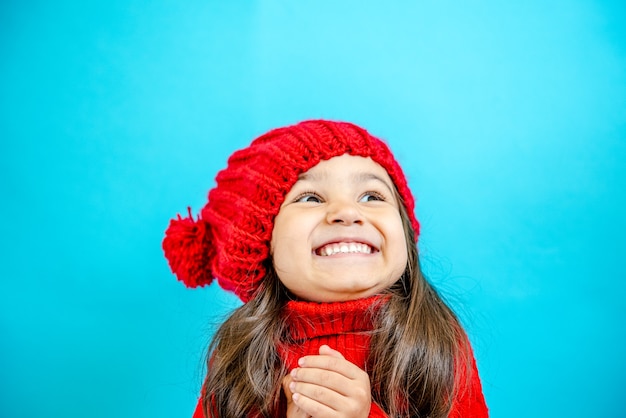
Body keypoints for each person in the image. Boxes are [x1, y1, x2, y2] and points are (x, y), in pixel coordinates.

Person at [163, 120, 488, 418]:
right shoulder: (240, 355)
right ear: (261, 245)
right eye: (310, 198)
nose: (347, 212)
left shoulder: (436, 339)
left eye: (372, 195)